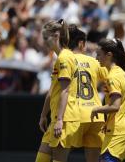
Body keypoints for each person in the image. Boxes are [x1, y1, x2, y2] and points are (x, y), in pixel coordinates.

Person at [35, 19, 80, 162]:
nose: (44, 41)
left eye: (45, 37)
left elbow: (65, 91)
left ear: (56, 36)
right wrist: (43, 115)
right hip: (55, 118)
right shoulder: (60, 58)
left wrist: (60, 120)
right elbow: (52, 91)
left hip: (64, 119)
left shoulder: (65, 58)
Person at [91, 38, 125, 161]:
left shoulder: (113, 77)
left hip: (118, 130)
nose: (96, 58)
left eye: (98, 54)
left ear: (109, 55)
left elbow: (115, 106)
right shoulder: (121, 72)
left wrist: (96, 109)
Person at [67, 24, 108, 162]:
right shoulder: (94, 61)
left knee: (58, 154)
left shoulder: (65, 60)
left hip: (75, 114)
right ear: (81, 43)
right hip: (96, 114)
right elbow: (110, 76)